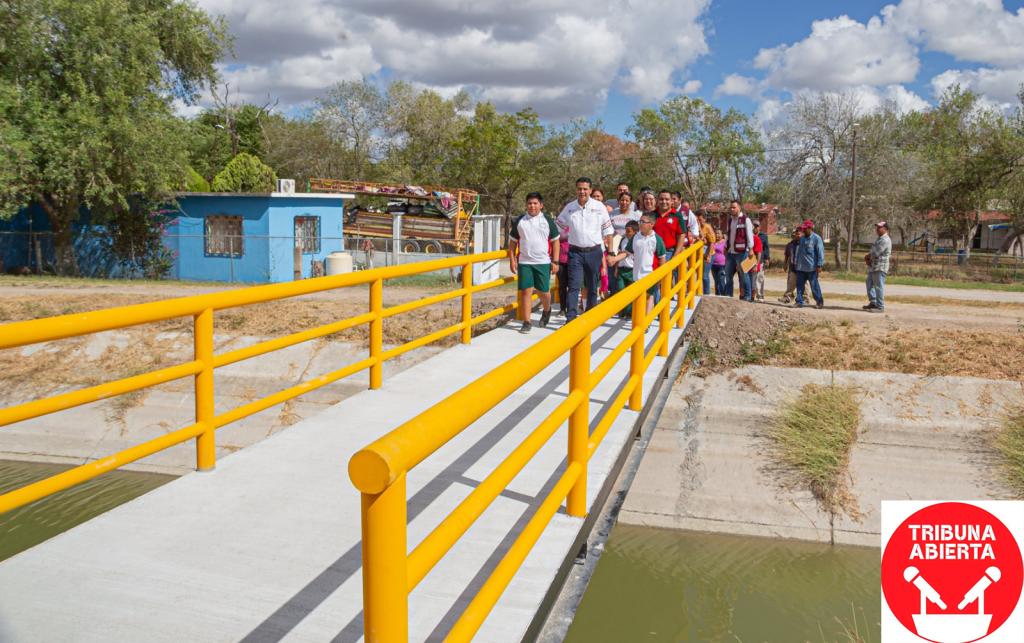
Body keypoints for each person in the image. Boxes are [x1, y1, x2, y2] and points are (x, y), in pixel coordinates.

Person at [556, 177, 613, 321]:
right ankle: (571, 318)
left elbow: (608, 231)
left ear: (591, 190)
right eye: (579, 188)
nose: (582, 191)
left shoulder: (599, 207)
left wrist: (611, 252)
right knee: (573, 286)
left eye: (585, 189)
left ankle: (590, 316)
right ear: (576, 190)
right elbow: (556, 228)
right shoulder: (570, 207)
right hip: (575, 252)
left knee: (593, 286)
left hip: (594, 252)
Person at [509, 192, 560, 333]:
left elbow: (555, 241)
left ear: (541, 205)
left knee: (543, 292)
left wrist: (555, 261)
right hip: (525, 261)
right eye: (529, 203)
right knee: (526, 291)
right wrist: (512, 259)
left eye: (535, 203)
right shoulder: (520, 221)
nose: (532, 206)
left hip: (543, 261)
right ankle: (526, 321)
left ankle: (547, 310)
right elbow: (512, 242)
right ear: (526, 205)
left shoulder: (547, 220)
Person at [608, 213, 665, 321]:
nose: (640, 224)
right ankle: (638, 318)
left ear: (651, 224)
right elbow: (627, 253)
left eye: (643, 222)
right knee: (638, 298)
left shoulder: (657, 239)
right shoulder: (635, 237)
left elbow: (662, 258)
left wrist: (660, 275)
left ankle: (646, 321)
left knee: (649, 296)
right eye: (640, 221)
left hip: (650, 274)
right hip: (636, 275)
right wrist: (615, 259)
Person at [723, 200, 753, 301]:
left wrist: (751, 249)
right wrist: (725, 246)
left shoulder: (745, 220)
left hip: (742, 252)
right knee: (728, 274)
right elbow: (728, 234)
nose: (731, 209)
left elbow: (749, 235)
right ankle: (728, 295)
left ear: (739, 208)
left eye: (734, 207)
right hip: (730, 252)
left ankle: (748, 296)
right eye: (730, 207)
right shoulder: (730, 220)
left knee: (744, 274)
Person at [794, 220, 825, 309]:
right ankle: (799, 301)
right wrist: (796, 262)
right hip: (801, 267)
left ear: (810, 228)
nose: (803, 231)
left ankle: (819, 301)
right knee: (799, 285)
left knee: (814, 286)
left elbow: (820, 252)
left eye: (805, 229)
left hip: (812, 268)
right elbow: (799, 252)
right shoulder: (803, 238)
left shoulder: (816, 238)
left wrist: (819, 265)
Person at [864, 221, 892, 312]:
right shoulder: (879, 239)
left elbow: (876, 253)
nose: (877, 229)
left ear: (885, 229)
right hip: (874, 266)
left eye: (879, 227)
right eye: (877, 227)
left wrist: (867, 257)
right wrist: (868, 259)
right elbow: (873, 251)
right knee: (869, 283)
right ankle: (873, 302)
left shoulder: (885, 240)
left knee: (878, 286)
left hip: (880, 267)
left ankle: (880, 306)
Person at [615, 220, 639, 317]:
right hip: (622, 268)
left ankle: (629, 312)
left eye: (629, 231)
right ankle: (622, 309)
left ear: (635, 232)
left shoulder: (637, 242)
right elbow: (619, 253)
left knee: (630, 292)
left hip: (632, 270)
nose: (626, 233)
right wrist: (616, 268)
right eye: (626, 231)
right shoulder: (623, 240)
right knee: (621, 290)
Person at [778, 228, 807, 304]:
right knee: (791, 282)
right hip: (793, 265)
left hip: (803, 266)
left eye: (798, 234)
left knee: (804, 283)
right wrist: (785, 265)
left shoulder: (805, 243)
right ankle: (787, 297)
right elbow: (787, 255)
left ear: (802, 234)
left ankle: (805, 298)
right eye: (795, 234)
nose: (796, 236)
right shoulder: (791, 244)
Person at [697, 210, 715, 294]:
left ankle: (707, 293)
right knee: (698, 275)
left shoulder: (708, 228)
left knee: (705, 276)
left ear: (704, 219)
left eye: (700, 219)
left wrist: (709, 256)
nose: (699, 221)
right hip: (698, 255)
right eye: (697, 219)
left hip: (707, 254)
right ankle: (698, 292)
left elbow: (712, 242)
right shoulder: (695, 228)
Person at [750, 220, 765, 302]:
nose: (755, 228)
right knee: (745, 281)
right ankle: (745, 296)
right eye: (753, 226)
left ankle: (753, 298)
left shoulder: (757, 239)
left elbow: (759, 252)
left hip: (754, 263)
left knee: (754, 281)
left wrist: (756, 264)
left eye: (756, 226)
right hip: (746, 264)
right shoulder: (747, 238)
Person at [712, 228, 727, 295]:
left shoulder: (725, 242)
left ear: (722, 235)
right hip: (713, 264)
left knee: (721, 279)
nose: (717, 235)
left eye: (718, 233)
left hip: (722, 264)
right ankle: (717, 294)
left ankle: (723, 294)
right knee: (716, 281)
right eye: (716, 233)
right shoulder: (713, 242)